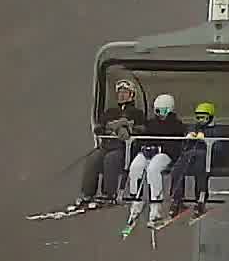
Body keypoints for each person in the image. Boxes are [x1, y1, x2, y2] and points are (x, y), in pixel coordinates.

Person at [122, 94, 186, 236]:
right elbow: (144, 137)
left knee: (153, 169)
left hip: (165, 154)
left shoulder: (176, 125)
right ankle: (136, 200)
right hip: (148, 152)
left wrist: (160, 149)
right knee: (136, 167)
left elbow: (175, 145)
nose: (159, 115)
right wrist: (144, 147)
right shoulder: (151, 123)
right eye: (157, 111)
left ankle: (155, 206)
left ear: (169, 110)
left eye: (162, 111)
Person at [79, 80, 143, 209]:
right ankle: (87, 193)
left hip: (123, 148)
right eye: (119, 92)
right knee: (93, 158)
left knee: (111, 159)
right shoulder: (110, 112)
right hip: (107, 145)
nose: (121, 95)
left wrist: (129, 129)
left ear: (131, 95)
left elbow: (142, 129)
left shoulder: (137, 113)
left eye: (125, 92)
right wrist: (112, 127)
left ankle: (108, 194)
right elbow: (99, 127)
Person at [167, 100, 218, 219]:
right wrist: (188, 139)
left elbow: (220, 148)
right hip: (190, 156)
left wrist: (206, 140)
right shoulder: (193, 127)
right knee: (178, 169)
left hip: (206, 157)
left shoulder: (214, 129)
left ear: (210, 117)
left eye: (203, 117)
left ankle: (200, 199)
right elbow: (184, 148)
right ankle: (176, 199)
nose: (200, 120)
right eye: (198, 117)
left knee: (200, 169)